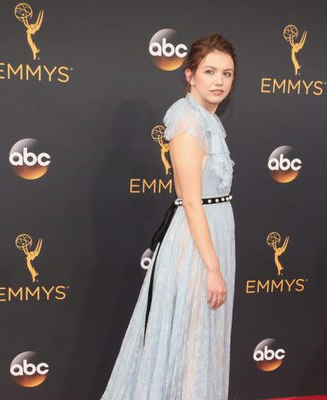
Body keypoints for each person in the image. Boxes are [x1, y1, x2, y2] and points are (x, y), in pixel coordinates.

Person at [101, 33, 237, 400]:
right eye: (210, 71)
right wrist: (212, 267)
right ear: (190, 74)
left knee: (204, 338)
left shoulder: (208, 121)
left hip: (214, 233)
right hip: (196, 242)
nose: (219, 81)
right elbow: (191, 202)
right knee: (192, 341)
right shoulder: (188, 123)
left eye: (226, 73)